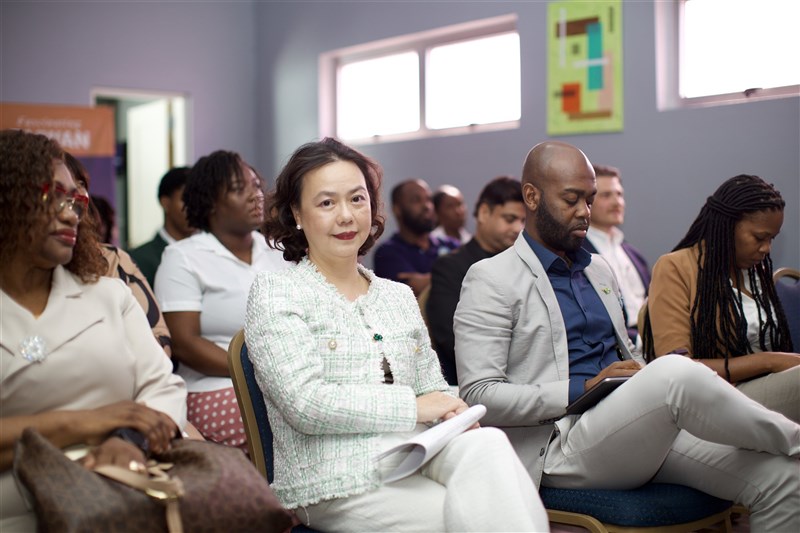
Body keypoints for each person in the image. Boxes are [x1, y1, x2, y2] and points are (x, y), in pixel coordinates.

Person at [454, 140, 800, 532]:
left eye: (589, 199)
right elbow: (479, 395)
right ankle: (795, 439)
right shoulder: (491, 278)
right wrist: (581, 388)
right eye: (571, 199)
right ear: (531, 197)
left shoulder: (598, 270)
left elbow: (629, 351)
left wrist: (635, 374)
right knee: (673, 372)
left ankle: (787, 449)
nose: (584, 212)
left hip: (628, 429)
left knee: (784, 479)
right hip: (560, 445)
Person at [244, 137, 549, 532]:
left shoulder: (397, 295)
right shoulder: (277, 292)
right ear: (296, 215)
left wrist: (457, 407)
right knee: (471, 512)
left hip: (419, 451)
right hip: (334, 479)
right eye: (326, 203)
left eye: (357, 199)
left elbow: (432, 387)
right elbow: (305, 404)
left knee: (488, 447)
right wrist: (415, 408)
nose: (346, 216)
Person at [0, 130, 186, 530]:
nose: (71, 214)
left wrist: (126, 439)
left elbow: (163, 387)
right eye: (54, 196)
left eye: (76, 201)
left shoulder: (109, 294)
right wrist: (87, 422)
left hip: (123, 488)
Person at [154, 150, 288, 450]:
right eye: (240, 189)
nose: (256, 196)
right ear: (211, 202)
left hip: (285, 383)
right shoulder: (183, 257)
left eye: (256, 185)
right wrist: (262, 371)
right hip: (218, 387)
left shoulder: (278, 252)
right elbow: (185, 344)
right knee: (291, 426)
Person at [643, 174, 799, 423]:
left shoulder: (756, 272)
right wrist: (769, 361)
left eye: (772, 239)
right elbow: (676, 369)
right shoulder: (676, 267)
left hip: (762, 388)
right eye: (759, 238)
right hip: (717, 398)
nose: (767, 248)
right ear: (728, 225)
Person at [65, 152, 173, 357]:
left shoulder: (113, 262)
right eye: (58, 191)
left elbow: (159, 342)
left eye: (80, 185)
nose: (75, 197)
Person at [427, 176, 524, 385]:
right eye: (510, 219)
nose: (518, 228)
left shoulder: (525, 266)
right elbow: (453, 341)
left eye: (523, 221)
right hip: (478, 385)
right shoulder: (451, 267)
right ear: (484, 213)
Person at [582, 164, 650, 343]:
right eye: (606, 195)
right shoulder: (577, 255)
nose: (616, 202)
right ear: (587, 202)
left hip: (653, 341)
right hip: (616, 348)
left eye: (619, 194)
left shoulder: (634, 255)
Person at [373, 179, 458, 296]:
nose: (426, 206)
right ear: (397, 210)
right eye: (416, 200)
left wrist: (426, 280)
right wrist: (456, 274)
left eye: (428, 199)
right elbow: (411, 292)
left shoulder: (452, 245)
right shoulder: (387, 253)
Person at [130, 167, 195, 287]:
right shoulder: (138, 260)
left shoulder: (213, 253)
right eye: (186, 200)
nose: (194, 207)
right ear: (166, 203)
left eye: (198, 200)